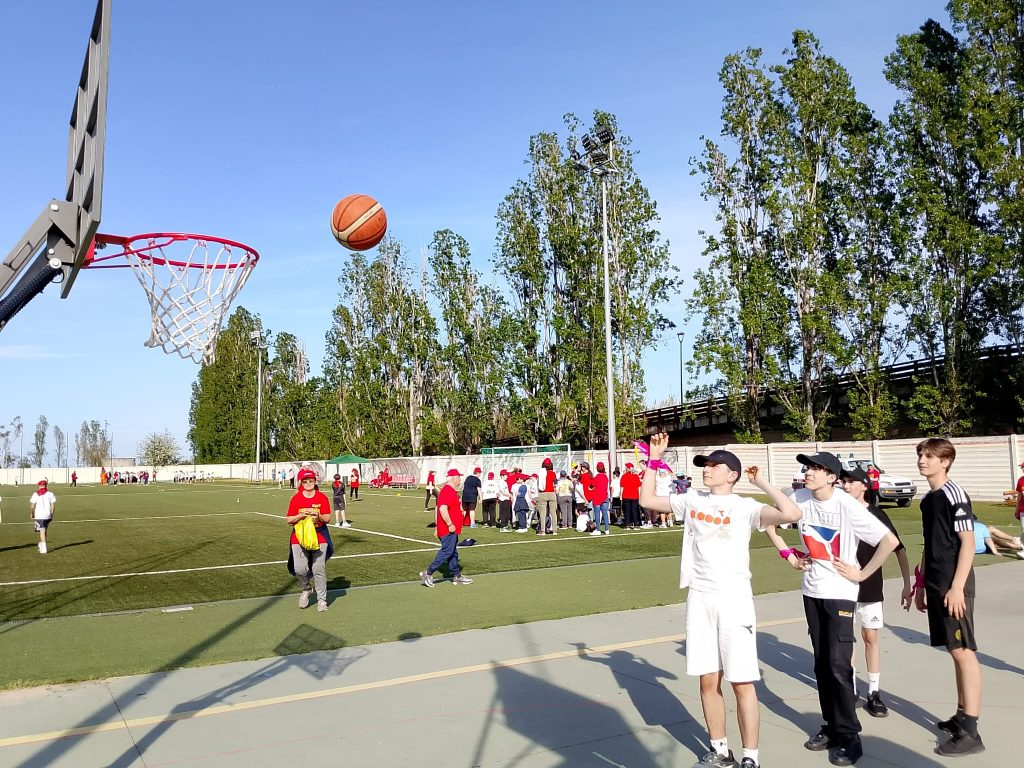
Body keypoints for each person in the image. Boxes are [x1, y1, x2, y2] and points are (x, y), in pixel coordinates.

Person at [639, 435, 802, 768]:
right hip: (700, 596)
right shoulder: (692, 500)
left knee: (741, 681)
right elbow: (647, 500)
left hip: (734, 598)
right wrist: (654, 460)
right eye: (705, 465)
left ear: (732, 475)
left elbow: (792, 511)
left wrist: (760, 482)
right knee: (707, 679)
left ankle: (751, 757)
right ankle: (720, 750)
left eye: (715, 465)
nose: (707, 469)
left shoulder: (746, 507)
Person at [783, 451, 899, 767]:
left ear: (832, 477)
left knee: (838, 663)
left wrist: (862, 574)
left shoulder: (846, 504)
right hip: (812, 591)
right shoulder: (799, 497)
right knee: (822, 664)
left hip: (840, 594)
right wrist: (787, 553)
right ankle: (831, 726)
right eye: (807, 467)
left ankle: (849, 735)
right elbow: (771, 519)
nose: (808, 472)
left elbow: (888, 541)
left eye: (816, 468)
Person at [913, 438, 985, 756]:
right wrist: (920, 584)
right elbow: (930, 544)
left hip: (954, 585)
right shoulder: (928, 500)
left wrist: (957, 587)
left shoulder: (954, 494)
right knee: (954, 651)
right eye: (921, 455)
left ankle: (971, 732)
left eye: (930, 456)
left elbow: (967, 542)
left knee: (963, 651)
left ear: (945, 461)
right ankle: (960, 716)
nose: (922, 460)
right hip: (936, 584)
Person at [840, 467, 912, 717]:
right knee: (845, 639)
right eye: (843, 481)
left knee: (870, 636)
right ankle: (850, 689)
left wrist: (907, 583)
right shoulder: (839, 511)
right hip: (843, 586)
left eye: (851, 482)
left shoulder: (877, 514)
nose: (845, 485)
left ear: (864, 486)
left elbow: (898, 549)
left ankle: (874, 691)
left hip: (870, 586)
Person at [286, 467, 333, 612]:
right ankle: (306, 588)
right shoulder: (296, 498)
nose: (308, 483)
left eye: (310, 480)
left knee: (318, 569)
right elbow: (289, 519)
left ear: (315, 481)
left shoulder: (322, 497)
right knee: (299, 569)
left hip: (319, 536)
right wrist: (300, 516)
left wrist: (318, 516)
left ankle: (322, 600)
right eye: (305, 481)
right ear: (301, 482)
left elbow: (327, 518)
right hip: (299, 537)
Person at [419, 469, 473, 587]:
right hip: (448, 529)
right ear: (453, 478)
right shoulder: (448, 491)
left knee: (453, 552)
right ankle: (428, 572)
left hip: (450, 528)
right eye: (458, 477)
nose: (460, 479)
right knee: (447, 551)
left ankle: (456, 575)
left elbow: (438, 508)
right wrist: (449, 524)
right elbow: (442, 509)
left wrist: (437, 527)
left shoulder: (451, 491)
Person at [29, 479, 56, 554]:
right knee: (44, 530)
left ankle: (44, 548)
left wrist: (32, 514)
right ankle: (41, 544)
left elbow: (32, 506)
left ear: (39, 486)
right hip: (48, 515)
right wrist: (51, 514)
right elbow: (53, 505)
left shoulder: (35, 494)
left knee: (42, 531)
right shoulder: (50, 494)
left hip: (39, 515)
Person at [536, 457, 558, 535]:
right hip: (551, 493)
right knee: (553, 513)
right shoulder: (553, 473)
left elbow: (538, 484)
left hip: (543, 493)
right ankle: (554, 530)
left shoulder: (541, 473)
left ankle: (543, 530)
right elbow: (555, 484)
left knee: (543, 513)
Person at [590, 461, 611, 536]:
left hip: (597, 497)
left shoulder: (596, 478)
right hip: (605, 496)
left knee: (597, 513)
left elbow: (591, 485)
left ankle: (598, 529)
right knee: (605, 513)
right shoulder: (605, 477)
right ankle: (607, 529)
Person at [619, 463, 642, 530]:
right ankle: (636, 525)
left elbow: (622, 487)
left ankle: (627, 525)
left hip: (626, 495)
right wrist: (639, 495)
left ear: (627, 468)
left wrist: (621, 496)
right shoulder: (636, 476)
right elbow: (639, 487)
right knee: (634, 511)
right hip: (635, 496)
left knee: (627, 511)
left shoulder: (624, 476)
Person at [1015, 461, 1024, 536]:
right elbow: (1019, 495)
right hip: (1023, 509)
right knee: (1023, 529)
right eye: (1022, 467)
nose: (1023, 469)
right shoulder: (1020, 480)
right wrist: (1017, 508)